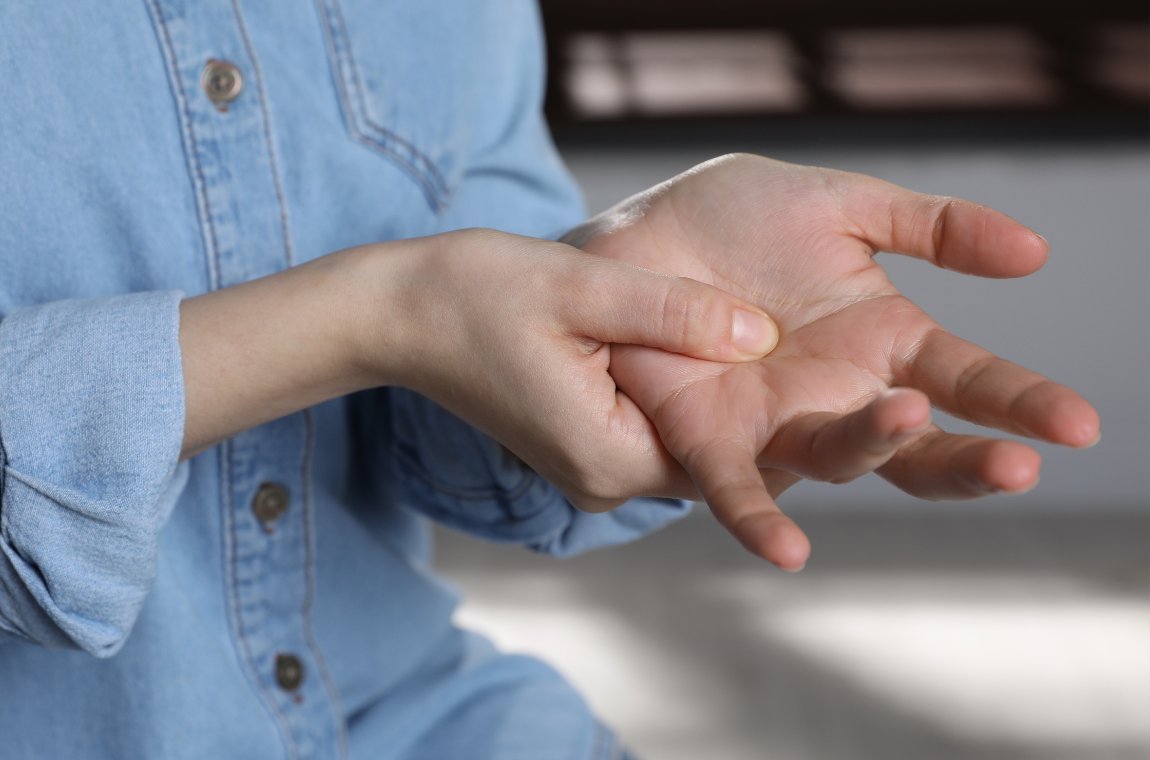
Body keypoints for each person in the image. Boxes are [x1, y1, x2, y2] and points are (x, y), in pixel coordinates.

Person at [0, 2, 1098, 758]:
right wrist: (381, 314)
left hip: (431, 719)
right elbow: (430, 303)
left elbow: (454, 374)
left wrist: (614, 328)